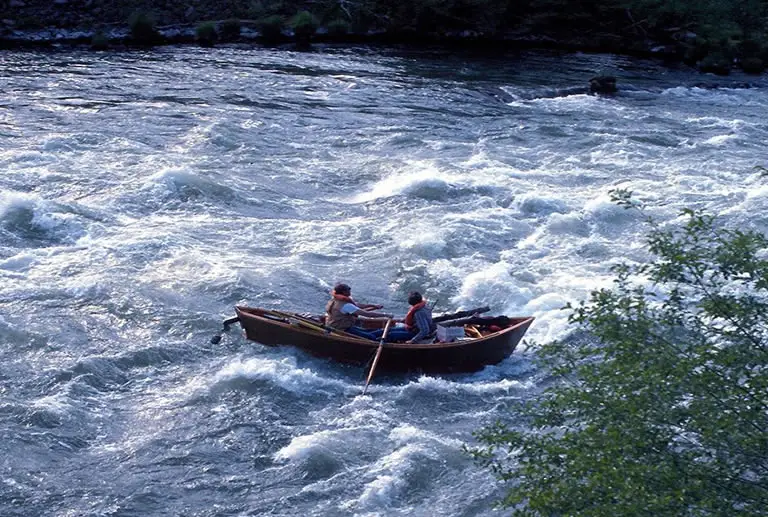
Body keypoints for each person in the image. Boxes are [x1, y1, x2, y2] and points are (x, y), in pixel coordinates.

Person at [325, 283, 394, 339]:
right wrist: (386, 315)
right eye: (348, 289)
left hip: (335, 326)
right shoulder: (346, 305)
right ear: (344, 292)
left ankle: (385, 334)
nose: (350, 290)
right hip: (342, 329)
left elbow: (358, 305)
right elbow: (367, 314)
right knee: (371, 337)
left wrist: (373, 306)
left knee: (369, 331)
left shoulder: (334, 300)